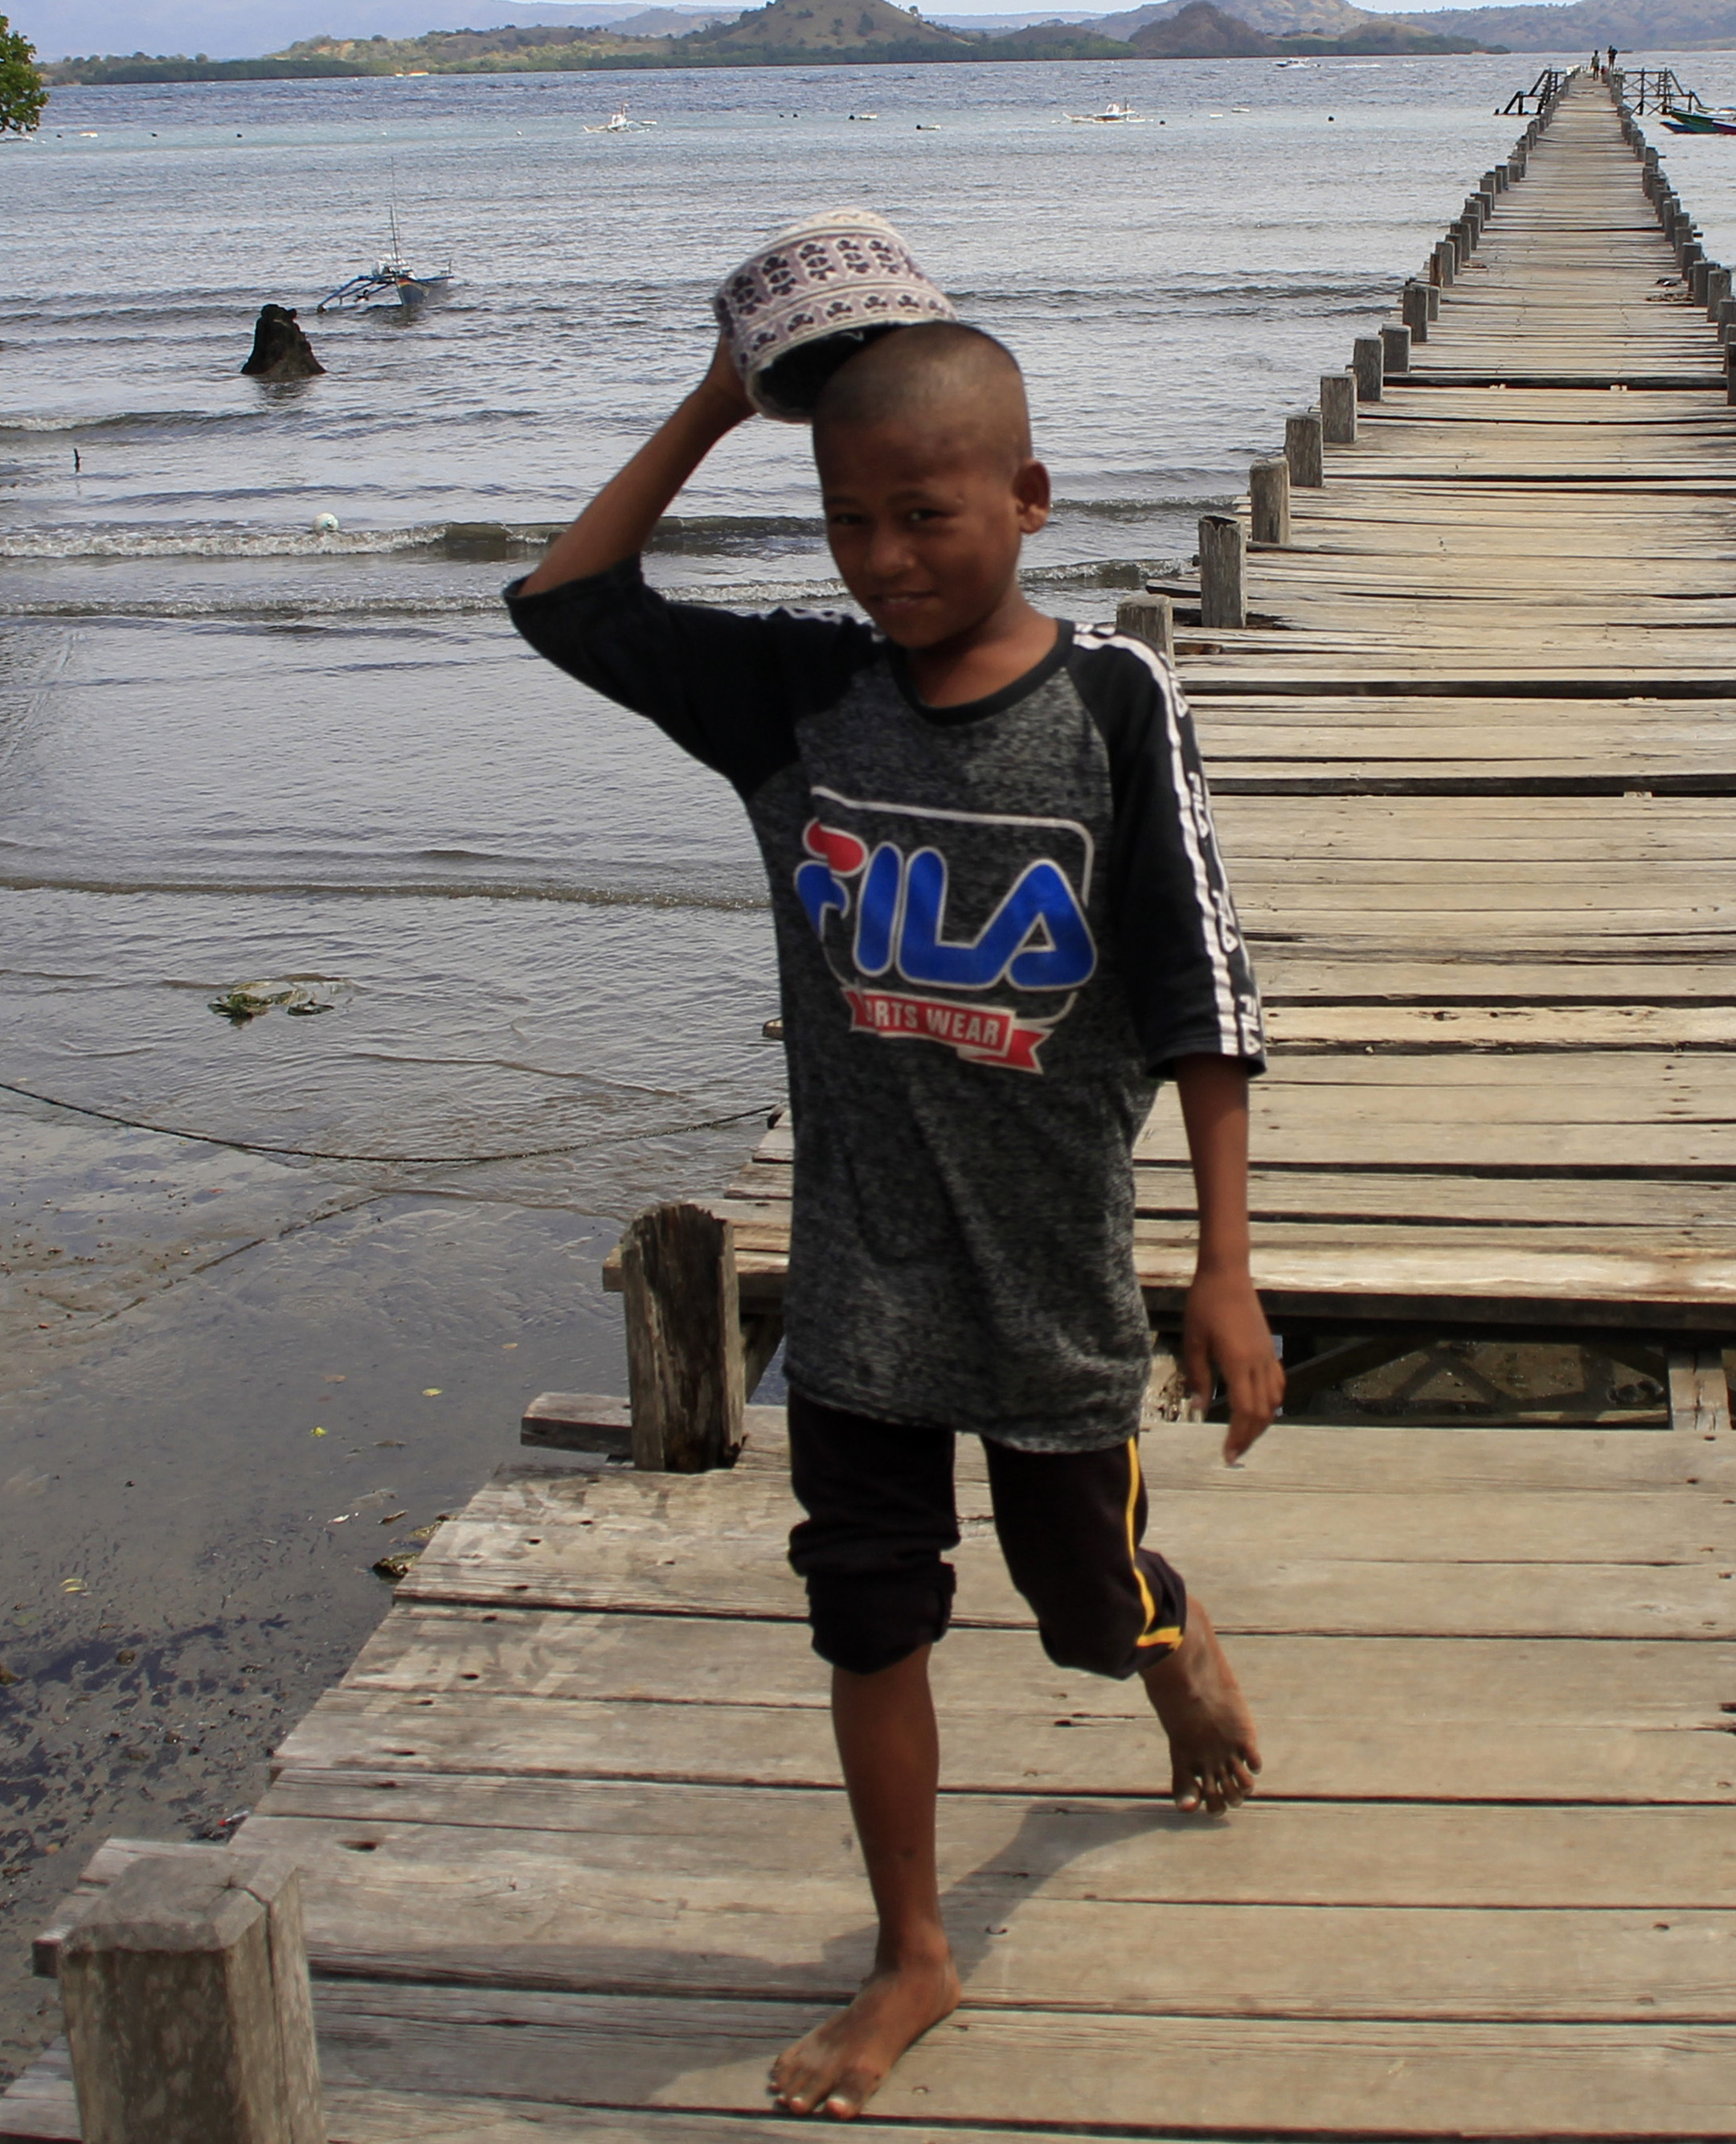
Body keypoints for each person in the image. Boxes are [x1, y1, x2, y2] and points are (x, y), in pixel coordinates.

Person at [506, 210, 1282, 2121]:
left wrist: (1225, 1263)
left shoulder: (1110, 704)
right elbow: (566, 601)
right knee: (867, 1602)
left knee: (1077, 1601)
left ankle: (1163, 1636)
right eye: (847, 520)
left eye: (925, 515)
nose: (884, 558)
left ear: (1027, 497)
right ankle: (912, 1948)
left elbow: (1200, 987)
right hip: (861, 1265)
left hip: (1049, 1270)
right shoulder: (799, 700)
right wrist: (718, 399)